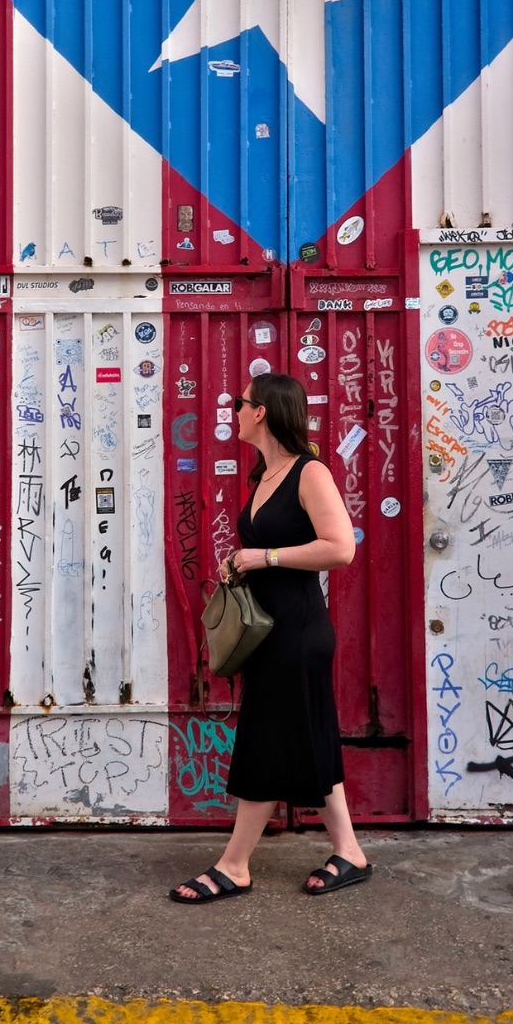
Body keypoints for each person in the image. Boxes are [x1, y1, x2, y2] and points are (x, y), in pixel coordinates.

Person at [171, 373, 371, 902]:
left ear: (261, 412)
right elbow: (266, 549)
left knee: (264, 739)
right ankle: (349, 851)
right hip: (268, 629)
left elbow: (341, 547)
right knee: (311, 735)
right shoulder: (264, 474)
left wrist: (266, 556)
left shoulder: (310, 472)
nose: (233, 411)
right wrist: (242, 563)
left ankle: (235, 864)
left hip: (298, 630)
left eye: (239, 404)